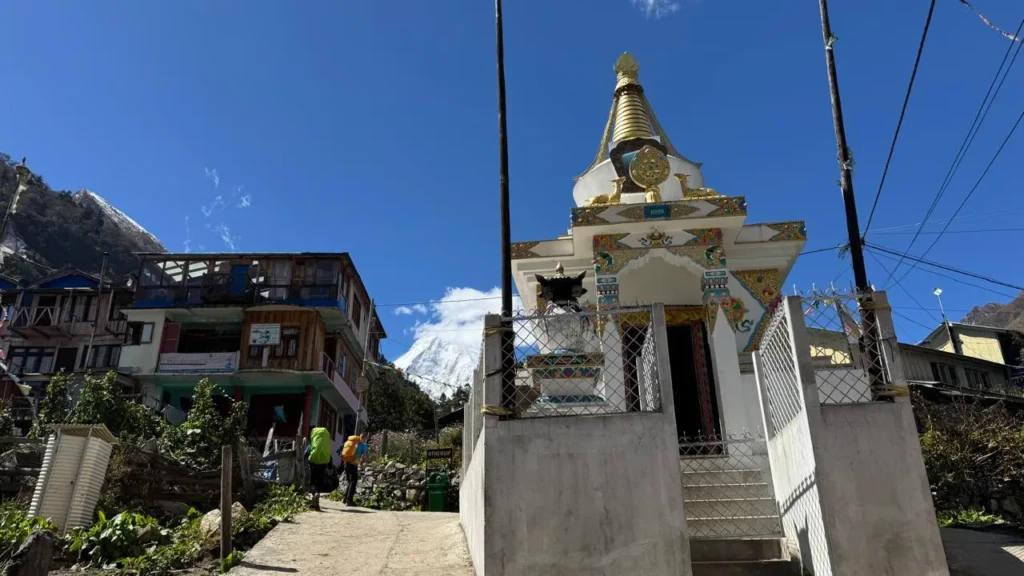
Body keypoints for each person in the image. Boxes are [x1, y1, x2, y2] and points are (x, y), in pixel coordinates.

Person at [306, 427, 333, 511]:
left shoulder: (312, 445)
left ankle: (313, 497)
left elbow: (305, 454)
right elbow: (330, 457)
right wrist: (330, 467)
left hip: (313, 463)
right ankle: (317, 494)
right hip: (323, 464)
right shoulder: (326, 446)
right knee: (320, 481)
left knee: (313, 480)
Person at [339, 434, 368, 506]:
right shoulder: (363, 445)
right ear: (364, 438)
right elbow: (364, 457)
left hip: (346, 463)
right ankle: (349, 501)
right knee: (353, 482)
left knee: (349, 482)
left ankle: (345, 499)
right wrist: (362, 463)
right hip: (353, 464)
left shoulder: (351, 442)